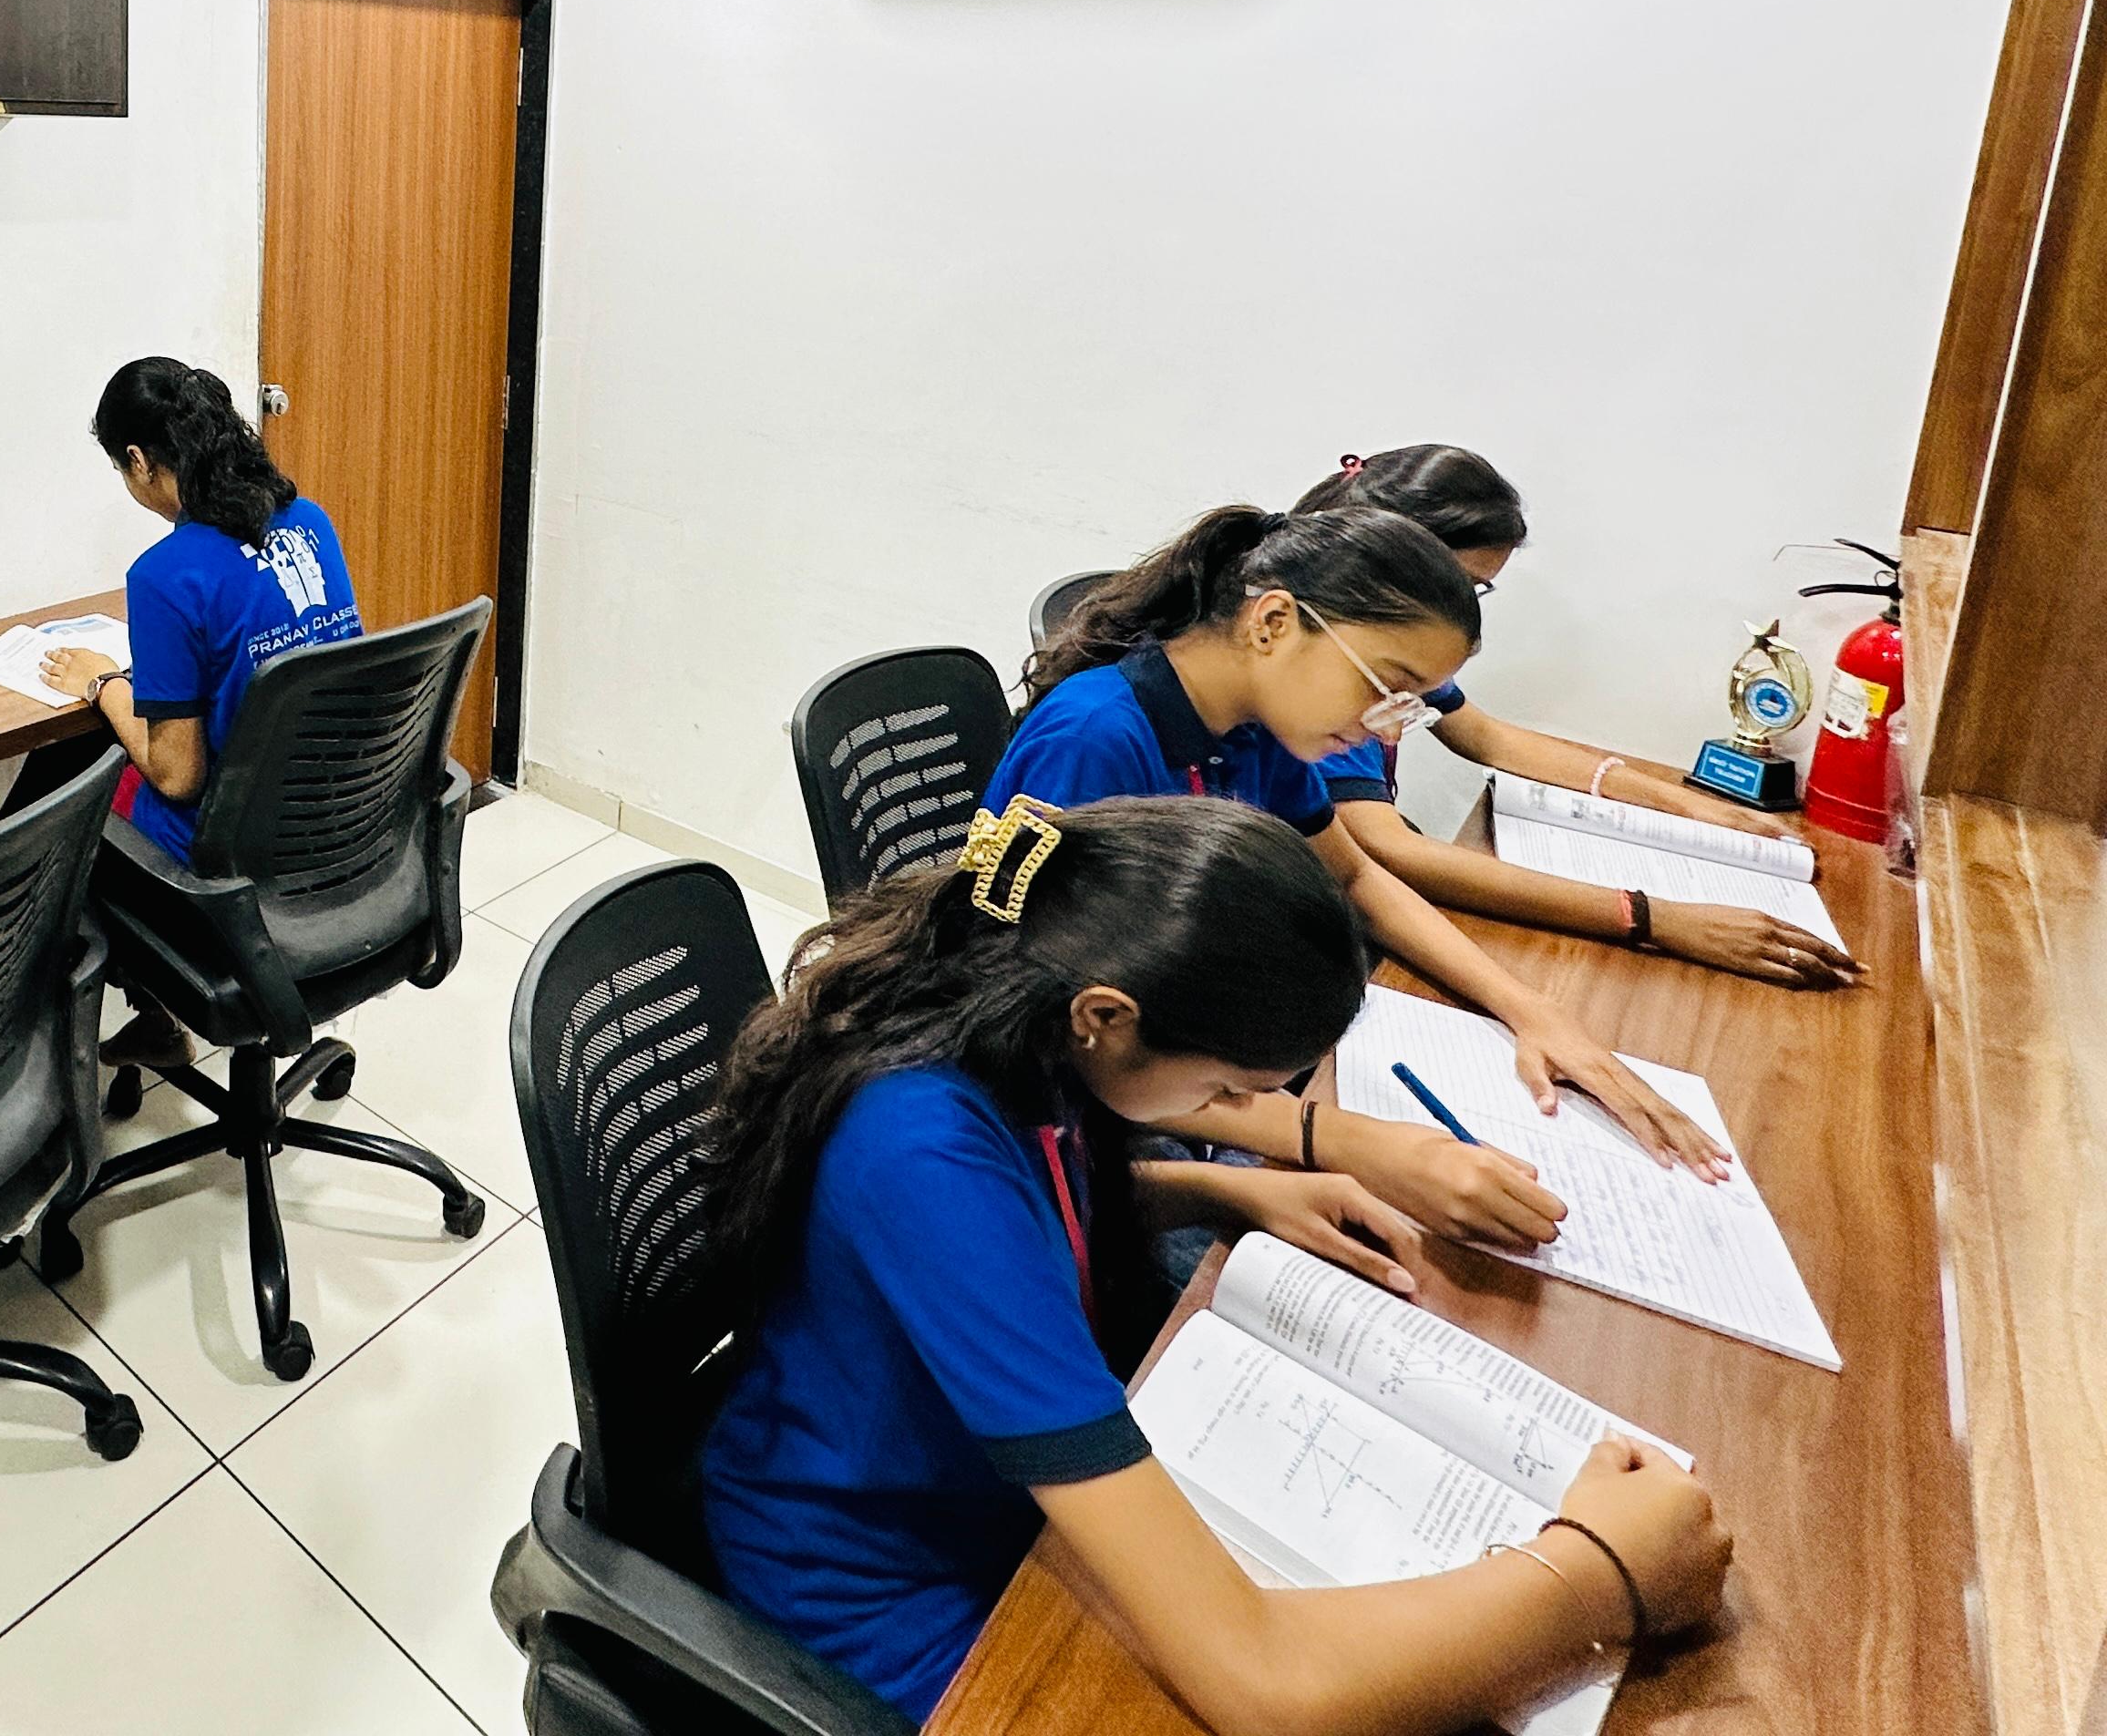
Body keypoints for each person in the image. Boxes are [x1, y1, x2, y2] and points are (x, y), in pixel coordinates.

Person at [698, 796, 1732, 1734]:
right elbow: (1264, 1687)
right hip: (886, 1584)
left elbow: (1026, 1211)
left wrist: (1230, 1189)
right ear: (1108, 1018)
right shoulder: (922, 1149)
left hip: (990, 1504)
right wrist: (1605, 1577)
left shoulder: (1020, 1030)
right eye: (1234, 1091)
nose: (1242, 1118)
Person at [995, 503, 1728, 1248]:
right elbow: (1061, 1037)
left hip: (1209, 1063)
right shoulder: (1093, 742)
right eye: (1386, 685)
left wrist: (1528, 1007)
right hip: (1095, 1122)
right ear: (1273, 624)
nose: (1386, 726)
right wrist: (1336, 1138)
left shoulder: (1257, 725)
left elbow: (1352, 878)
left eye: (1408, 704)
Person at [1295, 447, 1860, 990]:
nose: (1464, 608)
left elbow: (1484, 735)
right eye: (1461, 586)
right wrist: (1652, 918)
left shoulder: (1382, 646)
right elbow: (1388, 851)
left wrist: (1683, 805)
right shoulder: (1335, 679)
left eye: (1477, 591)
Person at [42, 356, 362, 865]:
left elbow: (178, 777)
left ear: (139, 460)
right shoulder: (310, 521)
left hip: (227, 849)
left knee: (57, 778)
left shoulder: (163, 576)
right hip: (334, 813)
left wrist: (103, 683)